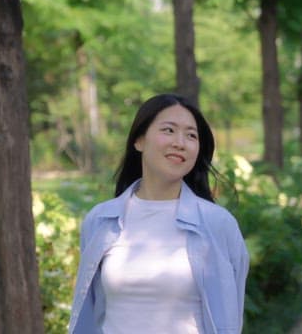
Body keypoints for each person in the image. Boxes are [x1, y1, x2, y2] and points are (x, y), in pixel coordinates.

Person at [69, 93, 250, 334]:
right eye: (169, 130)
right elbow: (90, 312)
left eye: (191, 135)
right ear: (139, 140)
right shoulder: (101, 220)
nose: (180, 142)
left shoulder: (218, 225)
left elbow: (230, 315)